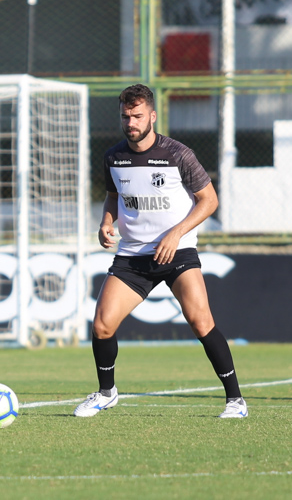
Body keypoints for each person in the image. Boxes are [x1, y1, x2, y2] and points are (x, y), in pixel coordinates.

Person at [73, 84, 247, 419]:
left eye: (137, 116)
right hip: (133, 257)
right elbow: (114, 196)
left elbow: (209, 201)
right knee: (102, 326)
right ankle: (106, 392)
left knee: (200, 321)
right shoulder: (113, 156)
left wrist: (176, 234)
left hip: (177, 253)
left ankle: (235, 400)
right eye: (125, 116)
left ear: (152, 116)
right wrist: (106, 222)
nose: (130, 122)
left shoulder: (178, 154)